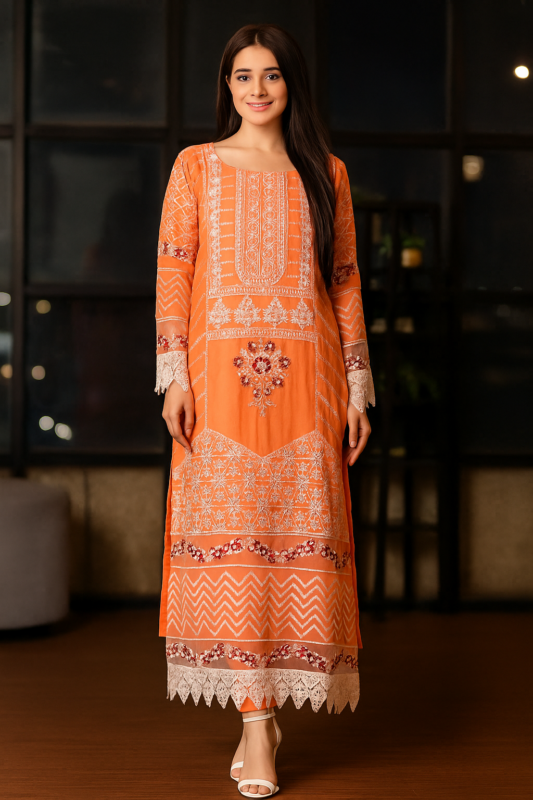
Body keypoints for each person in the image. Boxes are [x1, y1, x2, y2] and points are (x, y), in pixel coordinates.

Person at [154, 22, 375, 798]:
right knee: (234, 552)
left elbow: (343, 282)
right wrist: (172, 377)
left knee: (294, 544)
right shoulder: (196, 165)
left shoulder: (325, 172)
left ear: (290, 85)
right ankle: (256, 724)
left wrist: (357, 386)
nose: (257, 89)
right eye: (243, 76)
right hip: (216, 391)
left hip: (309, 390)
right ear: (227, 86)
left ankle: (267, 715)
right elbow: (174, 271)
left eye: (271, 75)